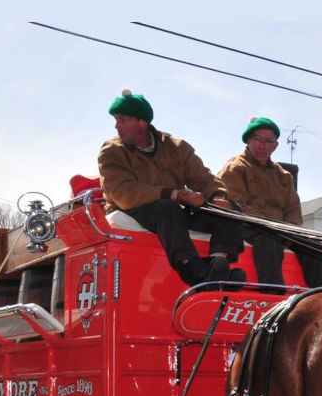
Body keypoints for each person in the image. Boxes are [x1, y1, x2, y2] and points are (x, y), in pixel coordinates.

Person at [98, 90, 246, 286]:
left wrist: (218, 196)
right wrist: (176, 195)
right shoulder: (111, 152)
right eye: (116, 120)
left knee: (231, 210)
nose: (117, 126)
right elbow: (123, 194)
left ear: (142, 122)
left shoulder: (176, 147)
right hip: (132, 209)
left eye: (123, 120)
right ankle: (193, 270)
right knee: (167, 207)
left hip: (173, 210)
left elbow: (203, 178)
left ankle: (217, 267)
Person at [217, 117, 322, 288]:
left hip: (280, 231)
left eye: (268, 141)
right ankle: (273, 293)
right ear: (248, 140)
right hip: (246, 227)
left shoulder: (283, 176)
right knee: (268, 240)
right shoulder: (235, 168)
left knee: (313, 246)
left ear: (275, 146)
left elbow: (293, 210)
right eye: (257, 139)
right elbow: (236, 206)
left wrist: (288, 230)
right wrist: (271, 227)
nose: (262, 145)